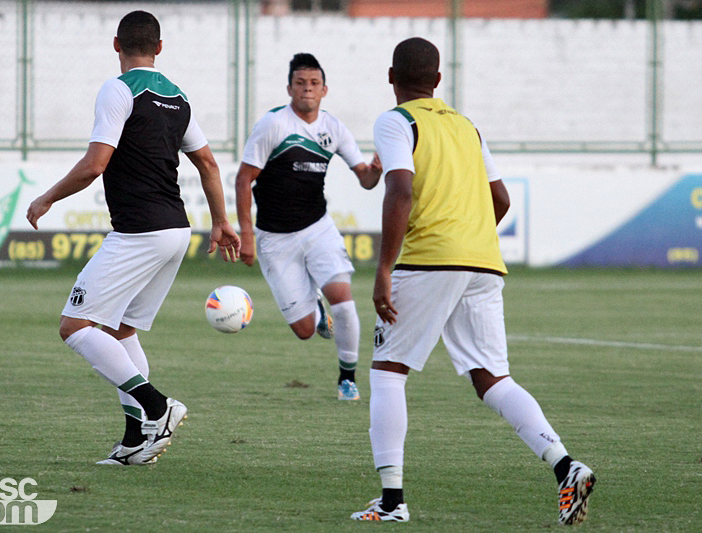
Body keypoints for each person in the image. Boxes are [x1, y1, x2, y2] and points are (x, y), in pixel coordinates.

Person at [350, 37, 596, 524]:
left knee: (387, 370)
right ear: (438, 81)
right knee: (492, 379)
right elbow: (499, 200)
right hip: (482, 262)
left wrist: (382, 269)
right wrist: (470, 238)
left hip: (427, 261)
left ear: (391, 77)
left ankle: (393, 502)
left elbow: (399, 190)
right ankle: (565, 465)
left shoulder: (396, 121)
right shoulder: (467, 127)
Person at [26, 10, 240, 466]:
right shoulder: (178, 97)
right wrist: (221, 221)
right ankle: (134, 442)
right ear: (159, 49)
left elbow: (95, 164)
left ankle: (158, 407)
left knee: (75, 326)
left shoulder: (118, 90)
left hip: (140, 231)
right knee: (120, 329)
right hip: (176, 231)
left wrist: (46, 198)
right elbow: (208, 163)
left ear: (116, 44)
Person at [235, 53, 382, 401]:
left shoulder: (334, 128)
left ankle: (347, 379)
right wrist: (246, 236)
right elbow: (244, 180)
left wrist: (376, 169)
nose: (307, 90)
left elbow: (365, 179)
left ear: (324, 89)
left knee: (344, 303)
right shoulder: (272, 125)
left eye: (314, 83)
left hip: (318, 229)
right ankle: (314, 311)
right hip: (273, 239)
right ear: (289, 88)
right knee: (303, 331)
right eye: (300, 83)